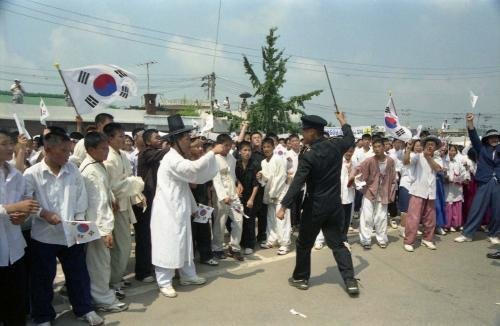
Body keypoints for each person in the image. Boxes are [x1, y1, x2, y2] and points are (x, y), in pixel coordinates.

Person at [23, 131, 104, 325]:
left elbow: (80, 197)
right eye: (64, 151)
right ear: (48, 150)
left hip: (71, 235)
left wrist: (78, 221)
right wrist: (44, 213)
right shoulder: (32, 174)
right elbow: (26, 201)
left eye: (69, 150)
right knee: (43, 279)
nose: (69, 154)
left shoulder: (72, 170)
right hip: (44, 237)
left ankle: (84, 309)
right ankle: (43, 316)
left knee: (78, 275)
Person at [277, 112, 359, 296]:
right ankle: (350, 280)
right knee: (338, 244)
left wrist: (283, 206)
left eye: (305, 131)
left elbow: (298, 182)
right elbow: (350, 137)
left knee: (304, 244)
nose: (302, 135)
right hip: (334, 206)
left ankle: (301, 278)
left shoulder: (309, 155)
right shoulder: (336, 145)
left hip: (314, 208)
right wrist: (343, 121)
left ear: (313, 132)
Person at [150, 115, 224, 298]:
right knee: (167, 245)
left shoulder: (177, 158)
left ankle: (187, 275)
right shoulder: (172, 159)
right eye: (185, 139)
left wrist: (192, 206)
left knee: (184, 243)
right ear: (175, 140)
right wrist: (212, 152)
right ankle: (164, 282)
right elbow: (193, 171)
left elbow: (185, 185)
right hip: (167, 212)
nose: (188, 142)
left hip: (178, 209)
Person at [80, 132, 128, 313]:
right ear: (91, 149)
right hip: (96, 225)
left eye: (107, 148)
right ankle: (102, 299)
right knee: (99, 263)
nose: (106, 152)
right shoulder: (92, 170)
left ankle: (101, 295)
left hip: (96, 224)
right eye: (103, 149)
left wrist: (112, 198)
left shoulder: (96, 165)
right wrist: (105, 230)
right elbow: (97, 204)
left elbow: (104, 193)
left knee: (99, 262)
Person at [0, 129, 40, 326]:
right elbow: (15, 205)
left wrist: (23, 213)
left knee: (16, 304)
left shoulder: (15, 174)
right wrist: (12, 208)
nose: (9, 148)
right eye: (3, 144)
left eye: (10, 143)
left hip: (15, 250)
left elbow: (26, 198)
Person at [103, 123, 145, 298]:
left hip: (125, 205)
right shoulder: (108, 158)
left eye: (123, 135)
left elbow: (127, 180)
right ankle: (113, 282)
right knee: (120, 247)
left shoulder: (123, 156)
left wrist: (138, 195)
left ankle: (117, 278)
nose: (123, 139)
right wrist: (136, 184)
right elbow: (112, 187)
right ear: (110, 138)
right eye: (119, 136)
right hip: (115, 207)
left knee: (123, 245)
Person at [455, 113, 499, 244]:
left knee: (498, 211)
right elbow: (474, 137)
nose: (494, 139)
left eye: (496, 137)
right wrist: (470, 123)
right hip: (484, 181)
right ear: (487, 139)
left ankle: (494, 234)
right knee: (476, 208)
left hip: (498, 182)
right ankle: (467, 234)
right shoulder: (482, 149)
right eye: (491, 138)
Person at [136, 129, 168, 282]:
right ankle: (142, 272)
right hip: (145, 201)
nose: (160, 139)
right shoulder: (146, 153)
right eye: (157, 137)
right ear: (148, 141)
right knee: (144, 236)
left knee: (153, 235)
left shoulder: (153, 152)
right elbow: (161, 154)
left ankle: (151, 266)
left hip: (154, 199)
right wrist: (171, 146)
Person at [403, 135, 443, 252]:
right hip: (417, 191)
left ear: (435, 147)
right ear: (425, 146)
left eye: (433, 145)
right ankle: (409, 241)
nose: (430, 146)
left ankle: (427, 239)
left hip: (431, 192)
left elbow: (438, 169)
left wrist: (428, 157)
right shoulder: (418, 156)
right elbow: (406, 162)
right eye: (428, 144)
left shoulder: (437, 157)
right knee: (413, 218)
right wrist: (408, 149)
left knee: (430, 218)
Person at [357, 139, 397, 249]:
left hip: (384, 193)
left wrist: (392, 193)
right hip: (369, 192)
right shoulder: (369, 160)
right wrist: (354, 177)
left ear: (384, 147)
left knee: (382, 217)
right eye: (374, 147)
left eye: (379, 146)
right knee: (367, 216)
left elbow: (393, 179)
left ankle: (381, 238)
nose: (377, 149)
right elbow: (360, 169)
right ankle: (366, 240)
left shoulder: (390, 161)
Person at [211, 134, 244, 261]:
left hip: (233, 195)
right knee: (220, 221)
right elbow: (216, 179)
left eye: (230, 145)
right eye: (225, 145)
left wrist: (237, 184)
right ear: (219, 145)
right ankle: (217, 248)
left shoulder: (231, 158)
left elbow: (233, 175)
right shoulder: (214, 159)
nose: (228, 148)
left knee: (239, 219)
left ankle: (234, 247)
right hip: (221, 196)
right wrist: (223, 196)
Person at [258, 137, 291, 255]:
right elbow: (266, 178)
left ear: (273, 147)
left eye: (268, 147)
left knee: (282, 218)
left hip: (280, 193)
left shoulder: (279, 159)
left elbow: (281, 177)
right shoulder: (263, 162)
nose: (266, 149)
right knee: (271, 217)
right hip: (269, 194)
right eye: (264, 147)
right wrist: (261, 176)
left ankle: (284, 243)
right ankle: (272, 239)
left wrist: (274, 193)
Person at [189, 137, 218, 265]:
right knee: (191, 231)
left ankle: (206, 256)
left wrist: (209, 201)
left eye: (201, 147)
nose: (200, 149)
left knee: (204, 230)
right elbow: (192, 185)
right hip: (190, 203)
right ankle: (190, 258)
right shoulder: (187, 164)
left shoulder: (204, 163)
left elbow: (208, 185)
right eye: (197, 146)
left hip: (203, 202)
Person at [235, 141, 259, 255]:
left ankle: (250, 244)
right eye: (244, 150)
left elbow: (256, 184)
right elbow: (234, 178)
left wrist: (251, 199)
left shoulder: (255, 164)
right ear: (239, 152)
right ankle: (242, 242)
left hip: (251, 196)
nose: (247, 152)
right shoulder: (236, 164)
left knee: (250, 220)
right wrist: (237, 185)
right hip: (239, 196)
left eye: (249, 150)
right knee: (239, 220)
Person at [443, 145, 467, 232]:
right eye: (450, 150)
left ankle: (456, 224)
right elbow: (443, 173)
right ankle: (447, 224)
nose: (452, 152)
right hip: (447, 187)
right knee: (448, 205)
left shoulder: (458, 161)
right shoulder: (444, 161)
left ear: (456, 152)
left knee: (456, 205)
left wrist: (462, 178)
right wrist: (447, 178)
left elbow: (464, 172)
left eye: (454, 151)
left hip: (457, 187)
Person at [286, 134, 303, 228]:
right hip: (291, 183)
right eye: (293, 141)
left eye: (297, 140)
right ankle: (292, 224)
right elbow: (284, 168)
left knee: (299, 204)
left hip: (302, 183)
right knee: (292, 204)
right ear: (290, 143)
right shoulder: (287, 154)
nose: (295, 142)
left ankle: (298, 222)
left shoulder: (303, 153)